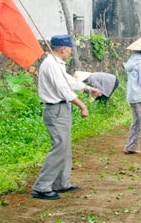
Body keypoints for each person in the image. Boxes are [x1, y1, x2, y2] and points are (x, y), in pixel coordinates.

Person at [31, 34, 102, 200]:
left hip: (62, 108)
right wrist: (82, 105)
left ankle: (61, 183)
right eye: (70, 49)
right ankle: (41, 187)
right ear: (63, 49)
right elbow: (63, 89)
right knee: (59, 146)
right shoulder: (51, 65)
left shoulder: (56, 64)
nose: (70, 52)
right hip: (56, 109)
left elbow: (68, 80)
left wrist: (86, 88)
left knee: (65, 146)